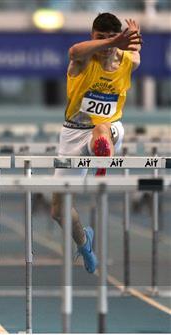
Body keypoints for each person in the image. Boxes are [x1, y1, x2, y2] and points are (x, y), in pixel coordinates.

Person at [51, 13, 141, 273]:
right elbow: (73, 49)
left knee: (101, 129)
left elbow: (135, 53)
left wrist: (131, 40)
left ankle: (102, 155)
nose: (104, 45)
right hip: (73, 132)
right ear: (93, 37)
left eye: (110, 39)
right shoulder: (82, 59)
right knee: (58, 210)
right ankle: (84, 242)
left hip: (108, 128)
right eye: (98, 38)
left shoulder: (129, 61)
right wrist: (116, 41)